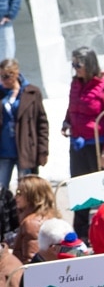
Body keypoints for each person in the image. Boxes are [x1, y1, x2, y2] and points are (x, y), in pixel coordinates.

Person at [63, 47, 104, 238]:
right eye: (73, 63)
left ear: (90, 64)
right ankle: (81, 234)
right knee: (79, 188)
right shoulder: (75, 83)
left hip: (97, 144)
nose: (75, 68)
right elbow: (71, 106)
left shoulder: (103, 86)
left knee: (103, 189)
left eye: (79, 64)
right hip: (78, 144)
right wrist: (66, 121)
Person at [0, 59, 46, 191]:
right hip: (4, 151)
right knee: (1, 190)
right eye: (1, 76)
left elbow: (42, 123)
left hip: (25, 150)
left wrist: (43, 150)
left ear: (15, 74)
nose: (3, 80)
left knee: (26, 191)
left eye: (6, 76)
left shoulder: (32, 92)